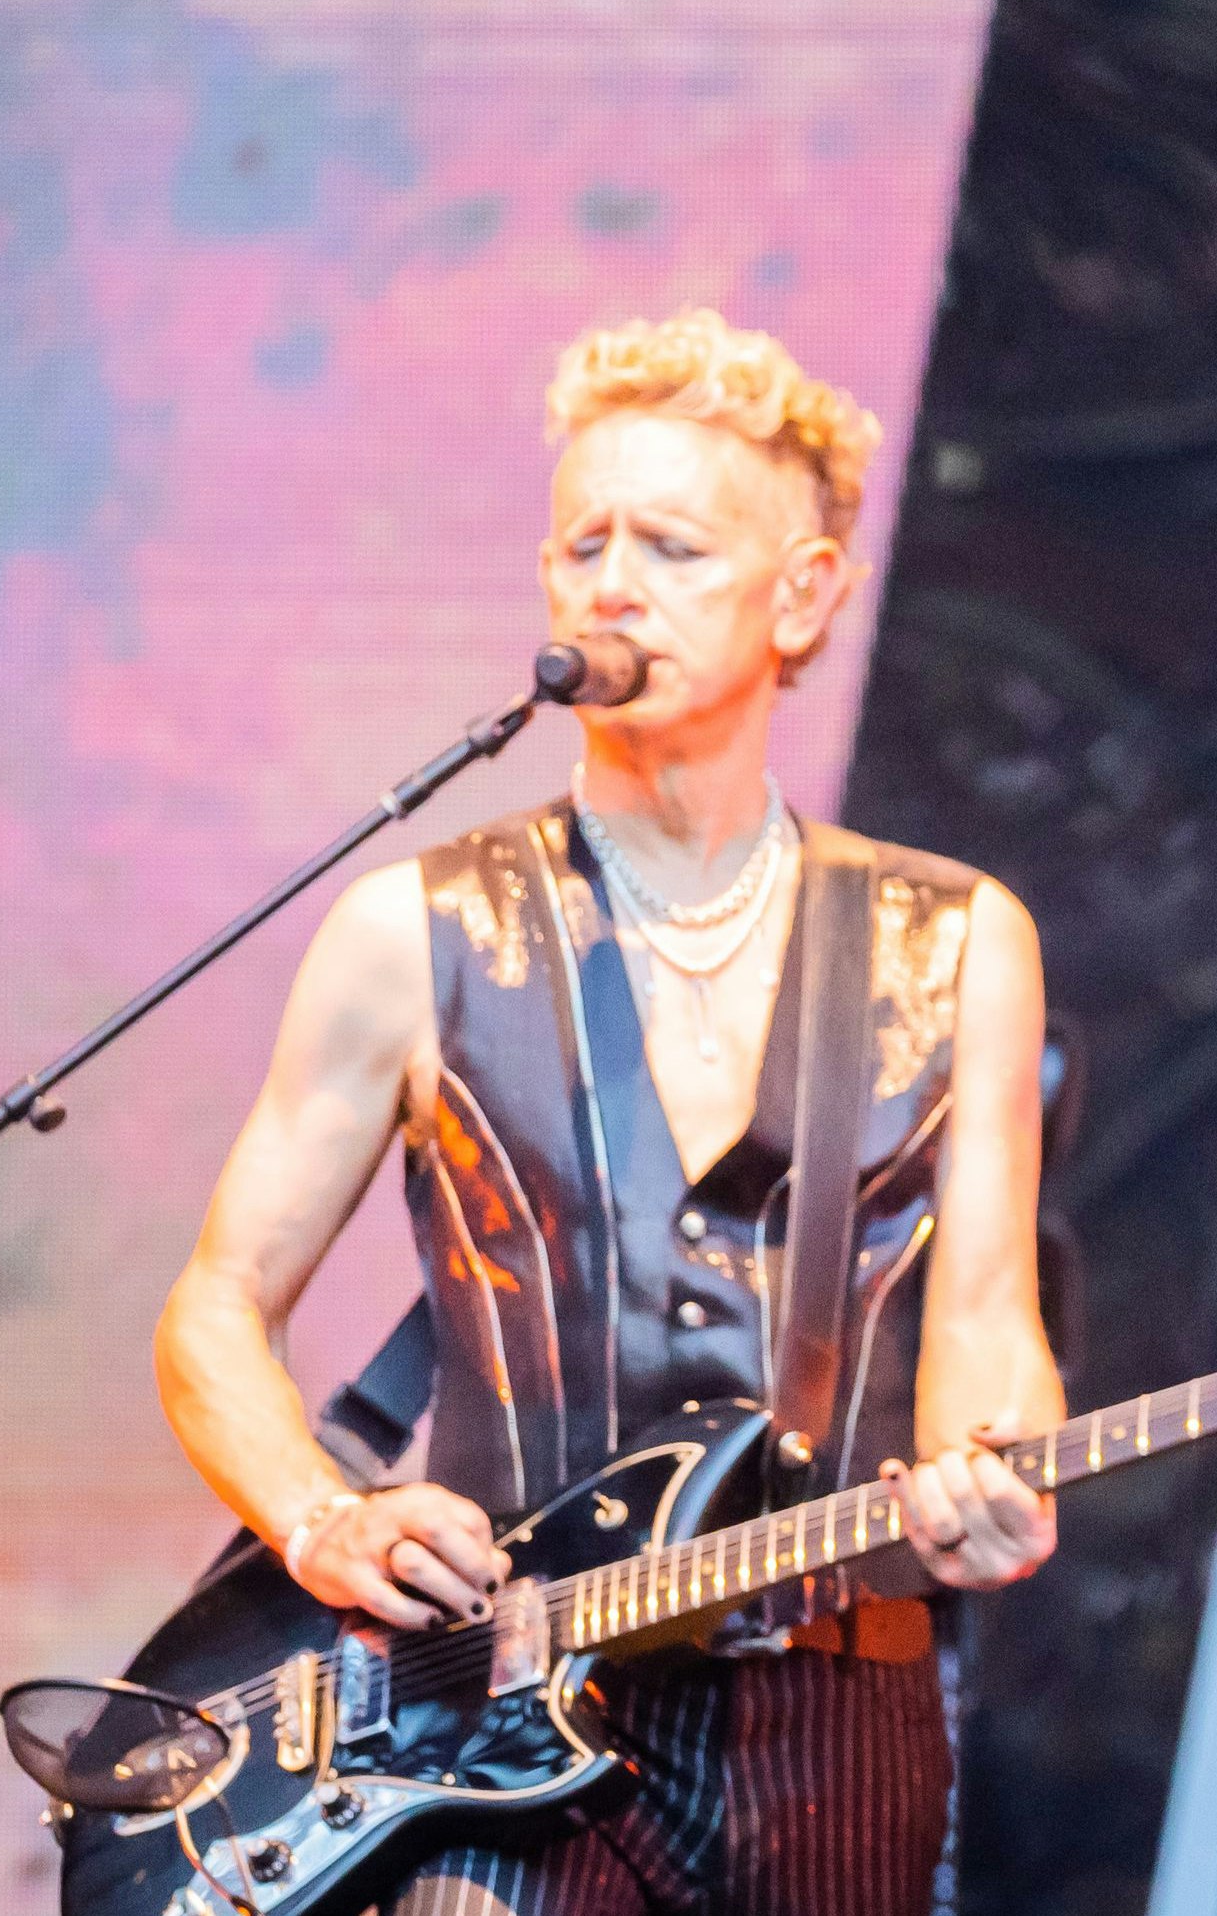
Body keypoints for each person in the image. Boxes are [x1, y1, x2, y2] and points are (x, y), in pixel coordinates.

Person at [155, 310, 1063, 1916]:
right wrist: (319, 1522)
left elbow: (983, 1313)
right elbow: (216, 1309)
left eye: (672, 544)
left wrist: (994, 1469)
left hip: (837, 1699)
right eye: (583, 542)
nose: (612, 581)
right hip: (492, 1693)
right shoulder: (411, 930)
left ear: (808, 597)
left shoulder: (961, 939)